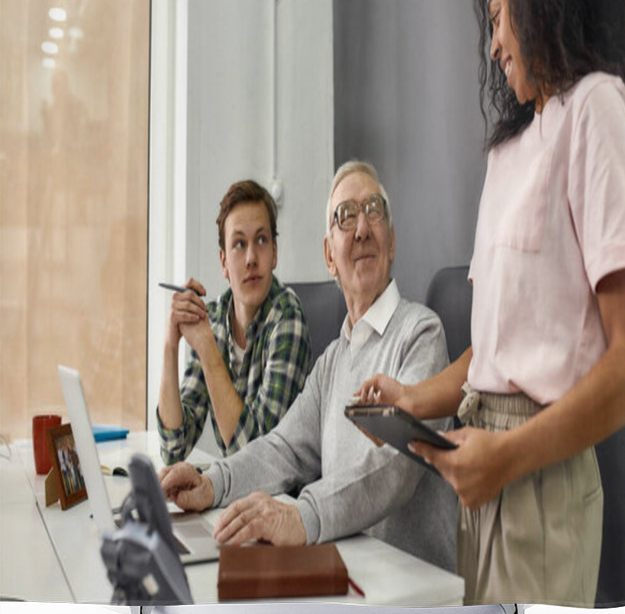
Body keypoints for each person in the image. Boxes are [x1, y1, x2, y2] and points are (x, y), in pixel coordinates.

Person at [357, 0, 625, 606]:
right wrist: (413, 401)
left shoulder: (597, 110)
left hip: (537, 474)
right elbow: (495, 352)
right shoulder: (510, 151)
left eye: (498, 13)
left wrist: (507, 456)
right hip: (479, 470)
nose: (492, 44)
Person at [159, 161, 456, 572]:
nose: (362, 228)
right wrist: (212, 483)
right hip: (345, 574)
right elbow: (281, 449)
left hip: (410, 591)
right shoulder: (333, 360)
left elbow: (395, 465)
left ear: (391, 243)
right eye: (345, 216)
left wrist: (304, 515)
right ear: (328, 257)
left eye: (373, 211)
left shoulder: (422, 333)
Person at [158, 180, 312, 462]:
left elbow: (257, 457)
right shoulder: (214, 320)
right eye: (239, 244)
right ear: (223, 262)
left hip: (282, 499)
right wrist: (170, 345)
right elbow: (173, 448)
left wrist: (207, 349)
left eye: (262, 241)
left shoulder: (288, 318)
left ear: (274, 252)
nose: (252, 258)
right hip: (235, 495)